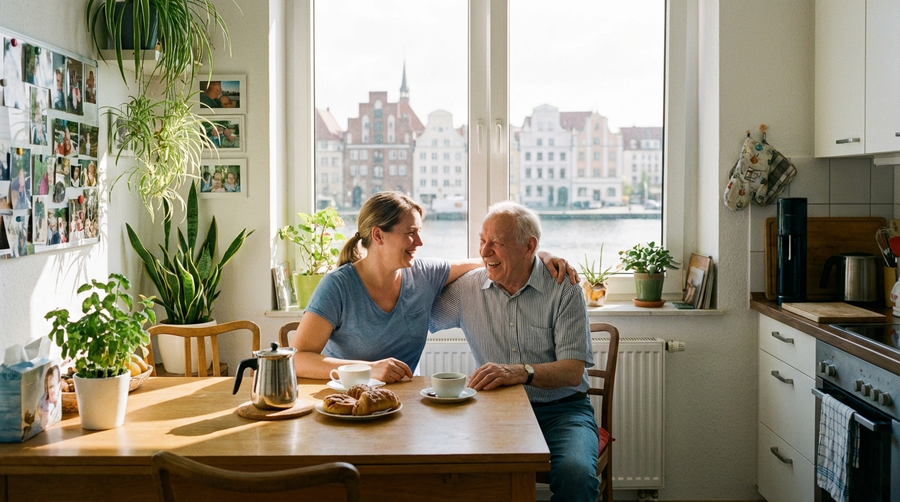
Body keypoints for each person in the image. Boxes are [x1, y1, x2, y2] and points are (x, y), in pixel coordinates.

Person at [290, 191, 577, 383]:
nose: (419, 242)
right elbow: (299, 359)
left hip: (399, 403)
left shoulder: (425, 275)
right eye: (410, 233)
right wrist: (367, 370)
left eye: (420, 232)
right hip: (343, 402)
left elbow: (489, 261)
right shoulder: (338, 286)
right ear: (378, 235)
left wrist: (540, 256)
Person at [430, 201, 599, 502]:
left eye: (496, 243)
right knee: (455, 471)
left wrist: (520, 372)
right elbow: (414, 314)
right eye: (482, 241)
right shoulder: (468, 289)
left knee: (576, 475)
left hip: (563, 410)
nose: (484, 252)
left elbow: (573, 371)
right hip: (495, 411)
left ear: (529, 246)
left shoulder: (564, 287)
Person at [37, 365, 61, 431]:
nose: (49, 391)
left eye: (52, 387)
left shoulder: (56, 405)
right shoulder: (44, 399)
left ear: (59, 385)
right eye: (48, 388)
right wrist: (41, 412)